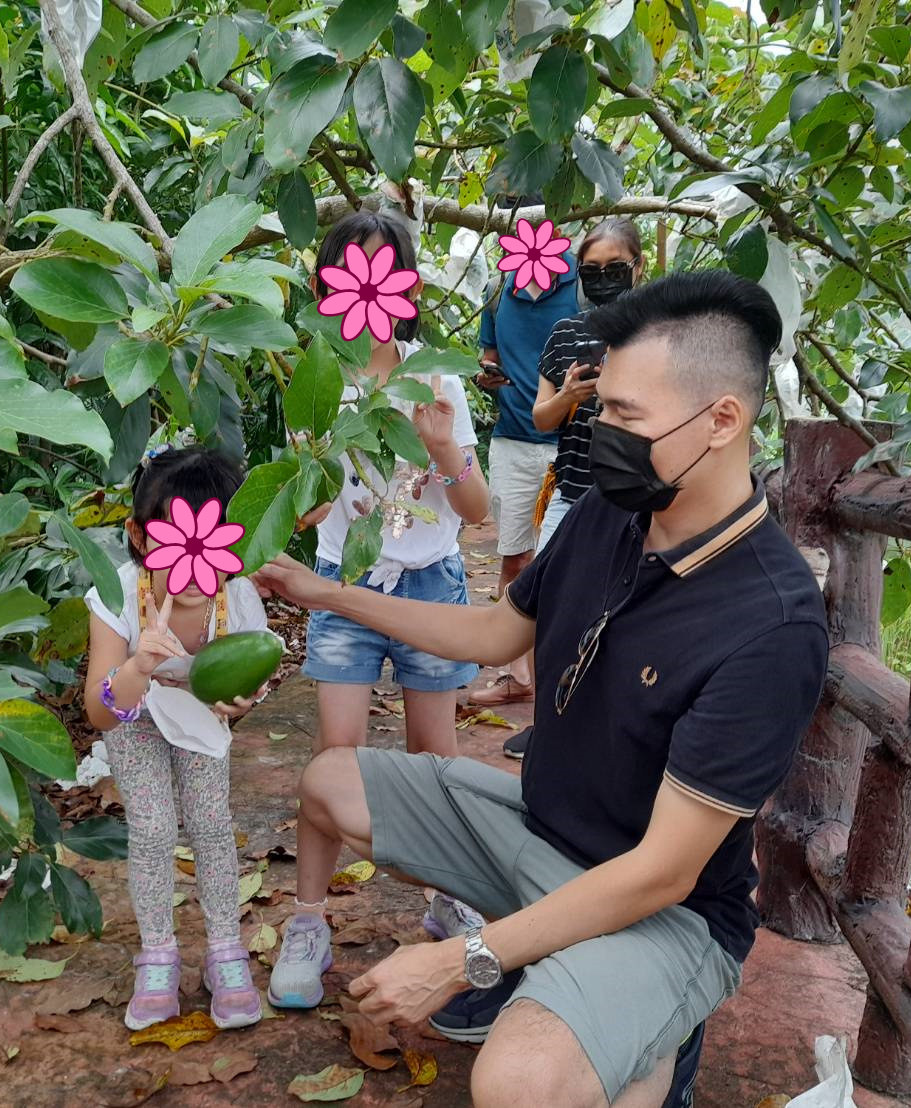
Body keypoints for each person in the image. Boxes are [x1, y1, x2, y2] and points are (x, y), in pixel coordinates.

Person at [253, 270, 829, 1108]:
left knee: (521, 1083)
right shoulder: (614, 513)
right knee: (329, 781)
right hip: (540, 833)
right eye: (604, 408)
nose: (601, 433)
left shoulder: (770, 623)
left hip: (662, 908)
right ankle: (563, 973)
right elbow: (496, 632)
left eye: (627, 417)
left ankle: (642, 1013)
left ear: (721, 421)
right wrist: (331, 595)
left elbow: (662, 874)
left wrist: (460, 960)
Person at [269, 211, 492, 1009]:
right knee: (335, 758)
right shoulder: (314, 379)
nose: (365, 283)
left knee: (436, 757)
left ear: (406, 285)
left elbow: (473, 509)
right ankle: (306, 919)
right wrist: (315, 468)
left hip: (430, 585)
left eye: (381, 267)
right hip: (344, 587)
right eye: (348, 269)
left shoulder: (439, 381)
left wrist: (439, 449)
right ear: (327, 286)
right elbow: (301, 511)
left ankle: (446, 896)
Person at [83, 445, 274, 1032]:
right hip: (135, 718)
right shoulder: (116, 596)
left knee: (212, 825)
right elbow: (98, 711)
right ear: (141, 538)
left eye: (214, 543)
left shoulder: (236, 597)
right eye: (179, 543)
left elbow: (253, 677)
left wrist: (242, 701)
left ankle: (225, 951)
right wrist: (138, 667)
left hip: (197, 721)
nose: (196, 563)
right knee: (153, 827)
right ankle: (158, 955)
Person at [503, 218, 646, 762]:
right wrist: (569, 396)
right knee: (550, 610)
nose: (604, 279)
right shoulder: (566, 334)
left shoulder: (656, 333)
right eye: (592, 271)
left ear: (638, 267)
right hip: (572, 493)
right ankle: (548, 723)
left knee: (621, 617)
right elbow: (542, 419)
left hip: (634, 502)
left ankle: (603, 731)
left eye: (615, 269)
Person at [467, 227, 579, 708]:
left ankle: (564, 673)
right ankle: (518, 673)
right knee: (515, 558)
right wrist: (485, 374)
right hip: (514, 440)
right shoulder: (499, 291)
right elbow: (487, 356)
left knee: (569, 564)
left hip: (572, 443)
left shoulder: (581, 290)